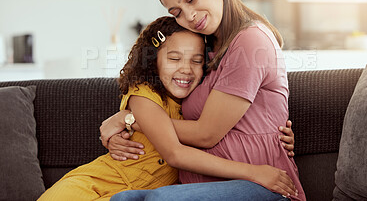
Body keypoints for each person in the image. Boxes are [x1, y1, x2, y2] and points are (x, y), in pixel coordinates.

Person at [107, 0, 305, 201]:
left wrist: (130, 119)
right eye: (176, 12)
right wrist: (128, 124)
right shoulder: (204, 52)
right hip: (206, 187)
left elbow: (206, 133)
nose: (188, 16)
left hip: (263, 185)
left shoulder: (250, 40)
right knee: (122, 199)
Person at [37, 16, 297, 201]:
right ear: (153, 62)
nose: (186, 68)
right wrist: (132, 117)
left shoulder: (198, 100)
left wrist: (277, 135)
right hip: (96, 182)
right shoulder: (143, 94)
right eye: (174, 59)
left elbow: (238, 111)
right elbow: (175, 153)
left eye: (196, 61)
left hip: (133, 195)